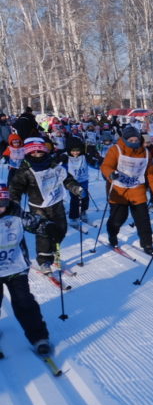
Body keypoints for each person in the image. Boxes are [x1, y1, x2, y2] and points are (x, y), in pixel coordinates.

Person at [7, 139, 83, 271]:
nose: (37, 154)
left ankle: (53, 251)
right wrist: (14, 203)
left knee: (61, 229)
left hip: (56, 203)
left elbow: (66, 178)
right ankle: (44, 261)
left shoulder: (53, 165)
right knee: (44, 233)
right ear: (28, 153)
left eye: (40, 151)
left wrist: (75, 188)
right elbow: (15, 188)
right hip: (38, 207)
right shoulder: (25, 170)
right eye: (33, 152)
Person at [0, 186, 54, 355]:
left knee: (25, 303)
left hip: (16, 267)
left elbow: (34, 222)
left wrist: (49, 227)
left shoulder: (16, 213)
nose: (0, 207)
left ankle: (39, 338)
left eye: (2, 203)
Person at [101, 125, 153, 253]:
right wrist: (111, 173)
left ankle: (147, 244)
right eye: (131, 141)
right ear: (124, 140)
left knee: (143, 219)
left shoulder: (145, 153)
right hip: (119, 190)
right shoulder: (116, 150)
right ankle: (112, 234)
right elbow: (106, 165)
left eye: (136, 140)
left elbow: (151, 173)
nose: (134, 143)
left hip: (137, 189)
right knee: (118, 218)